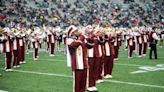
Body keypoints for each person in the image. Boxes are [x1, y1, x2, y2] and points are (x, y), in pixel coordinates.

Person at [66, 25, 93, 92]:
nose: (78, 32)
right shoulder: (69, 40)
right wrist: (82, 36)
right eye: (76, 31)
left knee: (83, 84)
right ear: (72, 32)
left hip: (84, 64)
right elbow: (75, 44)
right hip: (77, 65)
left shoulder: (81, 39)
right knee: (77, 85)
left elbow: (90, 45)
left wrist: (90, 36)